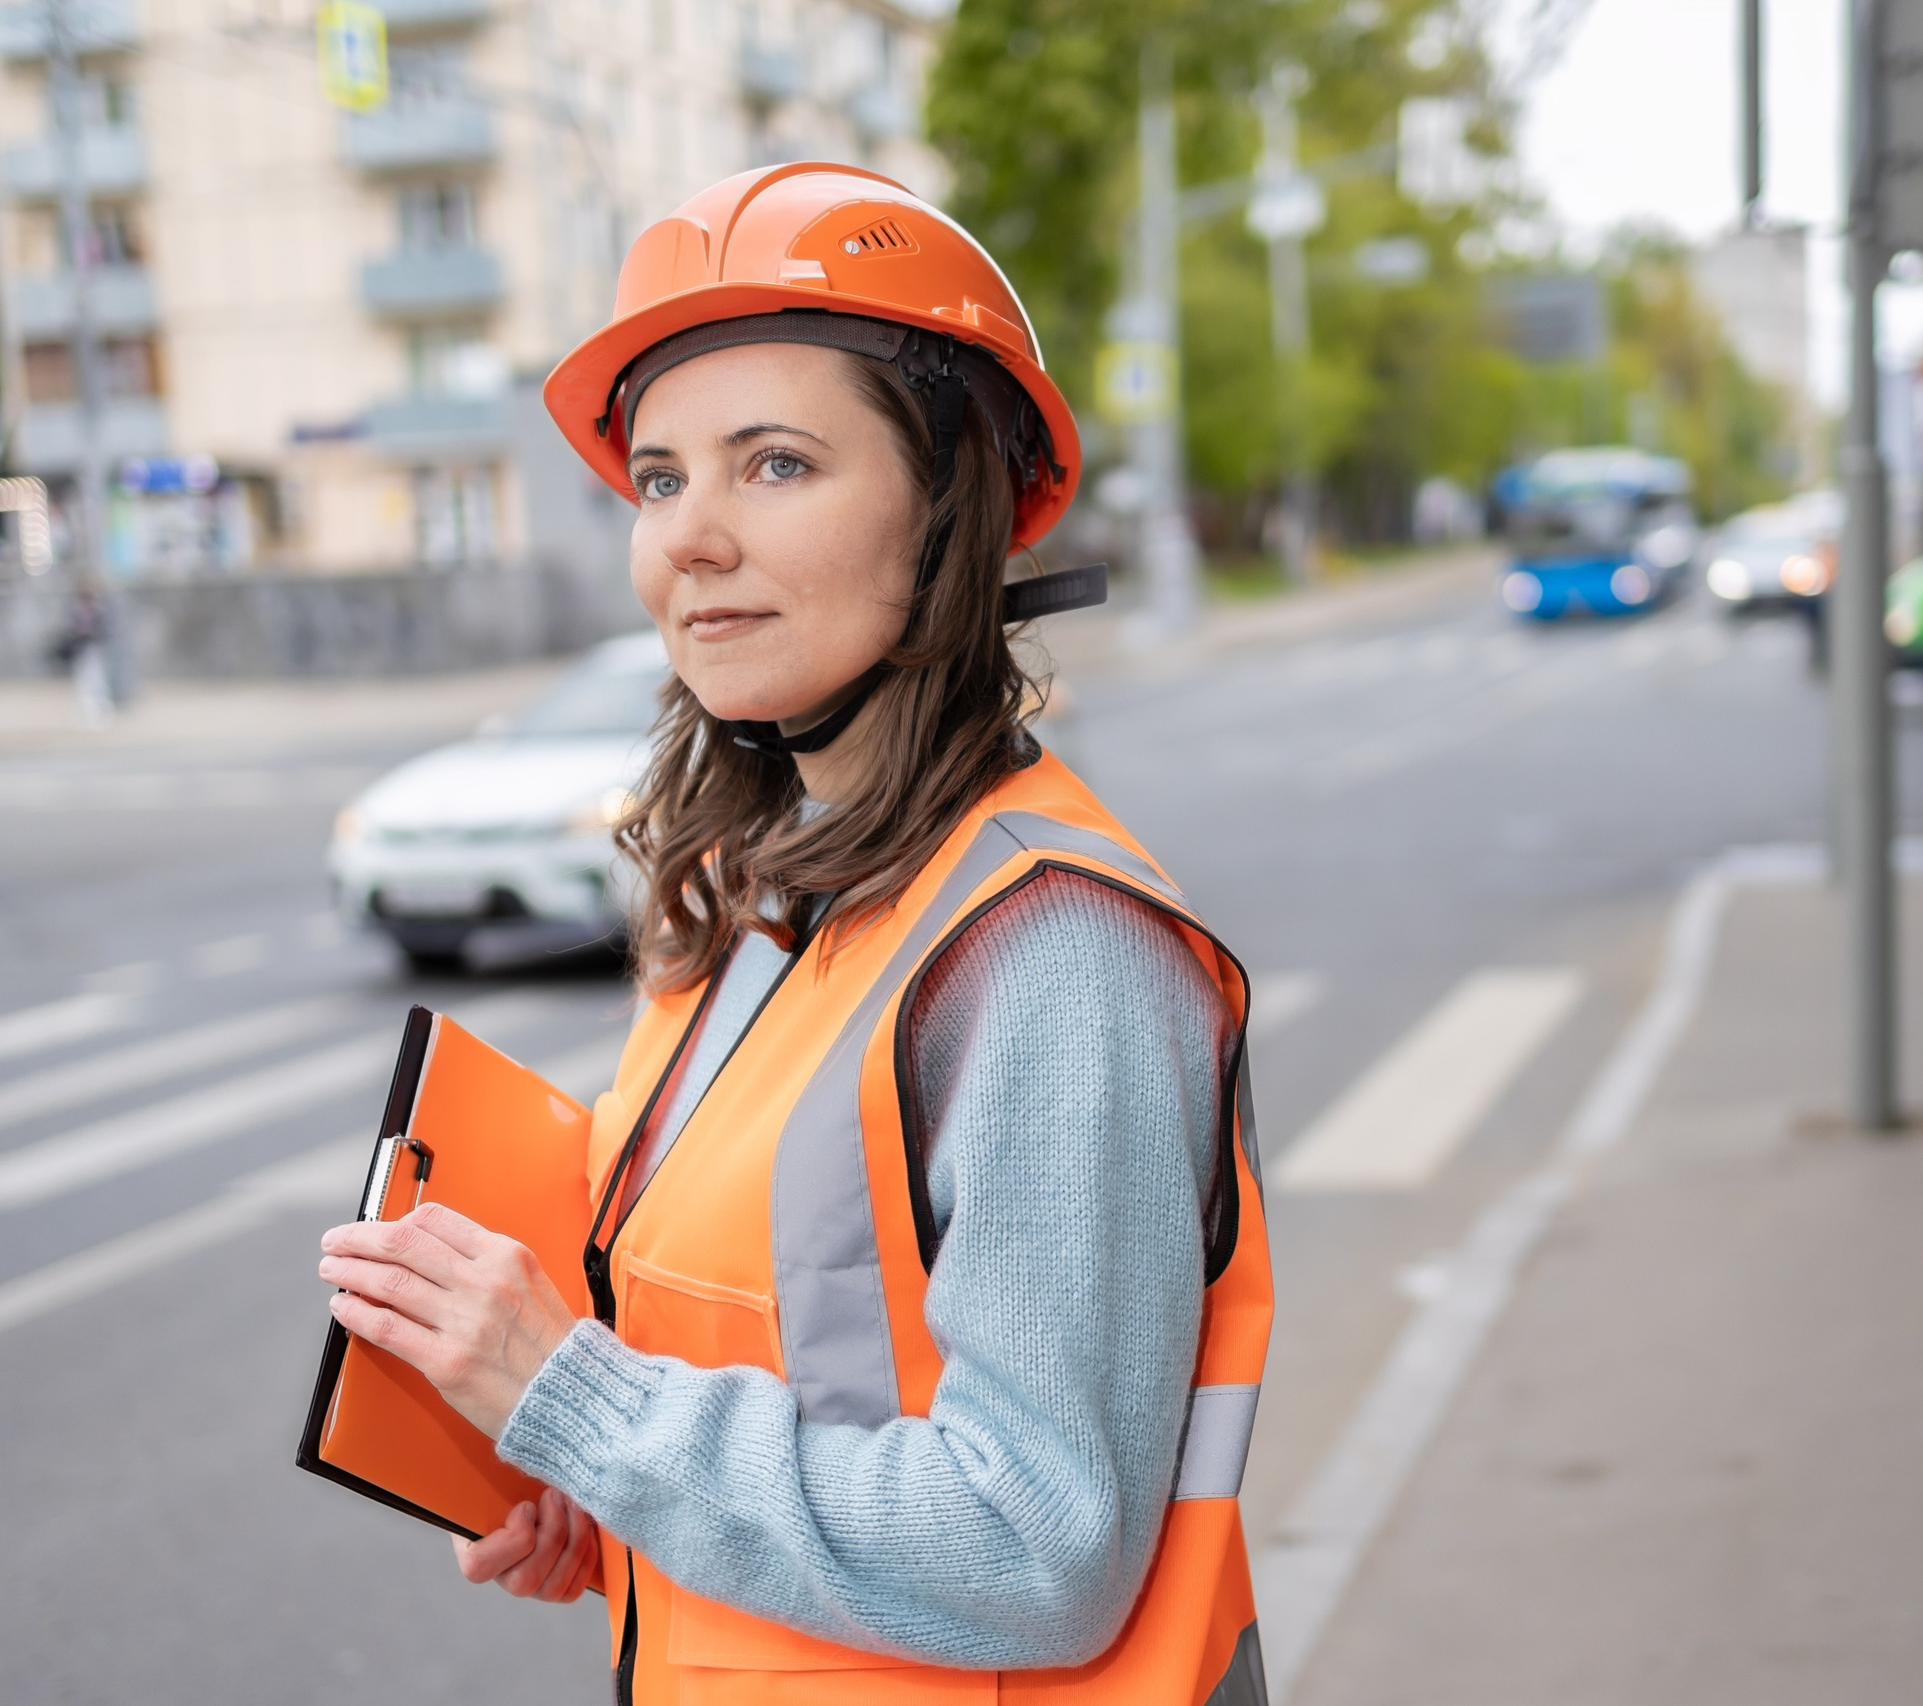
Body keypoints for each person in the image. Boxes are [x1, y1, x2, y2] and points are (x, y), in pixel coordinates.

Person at [315, 163, 1272, 1706]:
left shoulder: (1051, 949)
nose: (689, 538)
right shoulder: (770, 908)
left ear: (949, 509)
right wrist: (609, 1480)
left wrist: (580, 1400)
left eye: (773, 464)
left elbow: (1035, 1546)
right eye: (659, 477)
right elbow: (799, 1367)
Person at [55, 584, 115, 726]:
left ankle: (101, 710)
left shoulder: (97, 611)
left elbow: (104, 630)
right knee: (83, 681)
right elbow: (70, 629)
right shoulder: (76, 611)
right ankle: (86, 711)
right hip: (81, 649)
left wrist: (90, 635)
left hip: (93, 648)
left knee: (96, 680)